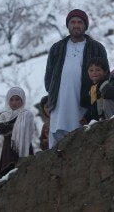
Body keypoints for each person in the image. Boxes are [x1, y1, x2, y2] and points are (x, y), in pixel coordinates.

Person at [44, 9, 108, 148]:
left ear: (85, 26)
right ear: (68, 25)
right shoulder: (57, 48)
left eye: (80, 22)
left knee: (80, 138)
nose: (76, 25)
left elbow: (105, 76)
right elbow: (49, 77)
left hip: (85, 103)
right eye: (73, 22)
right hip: (59, 103)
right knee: (57, 143)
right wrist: (53, 95)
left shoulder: (97, 47)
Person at [0, 87, 35, 179]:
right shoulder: (4, 115)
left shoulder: (27, 114)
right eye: (11, 100)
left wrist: (10, 125)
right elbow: (0, 128)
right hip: (8, 148)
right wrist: (15, 124)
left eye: (17, 99)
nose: (14, 102)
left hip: (24, 146)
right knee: (7, 171)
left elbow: (27, 128)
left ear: (22, 100)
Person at [82, 57, 112, 123]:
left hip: (105, 118)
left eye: (98, 70)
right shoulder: (92, 88)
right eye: (91, 70)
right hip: (96, 119)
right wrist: (86, 117)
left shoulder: (105, 85)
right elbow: (92, 105)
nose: (94, 72)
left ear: (105, 72)